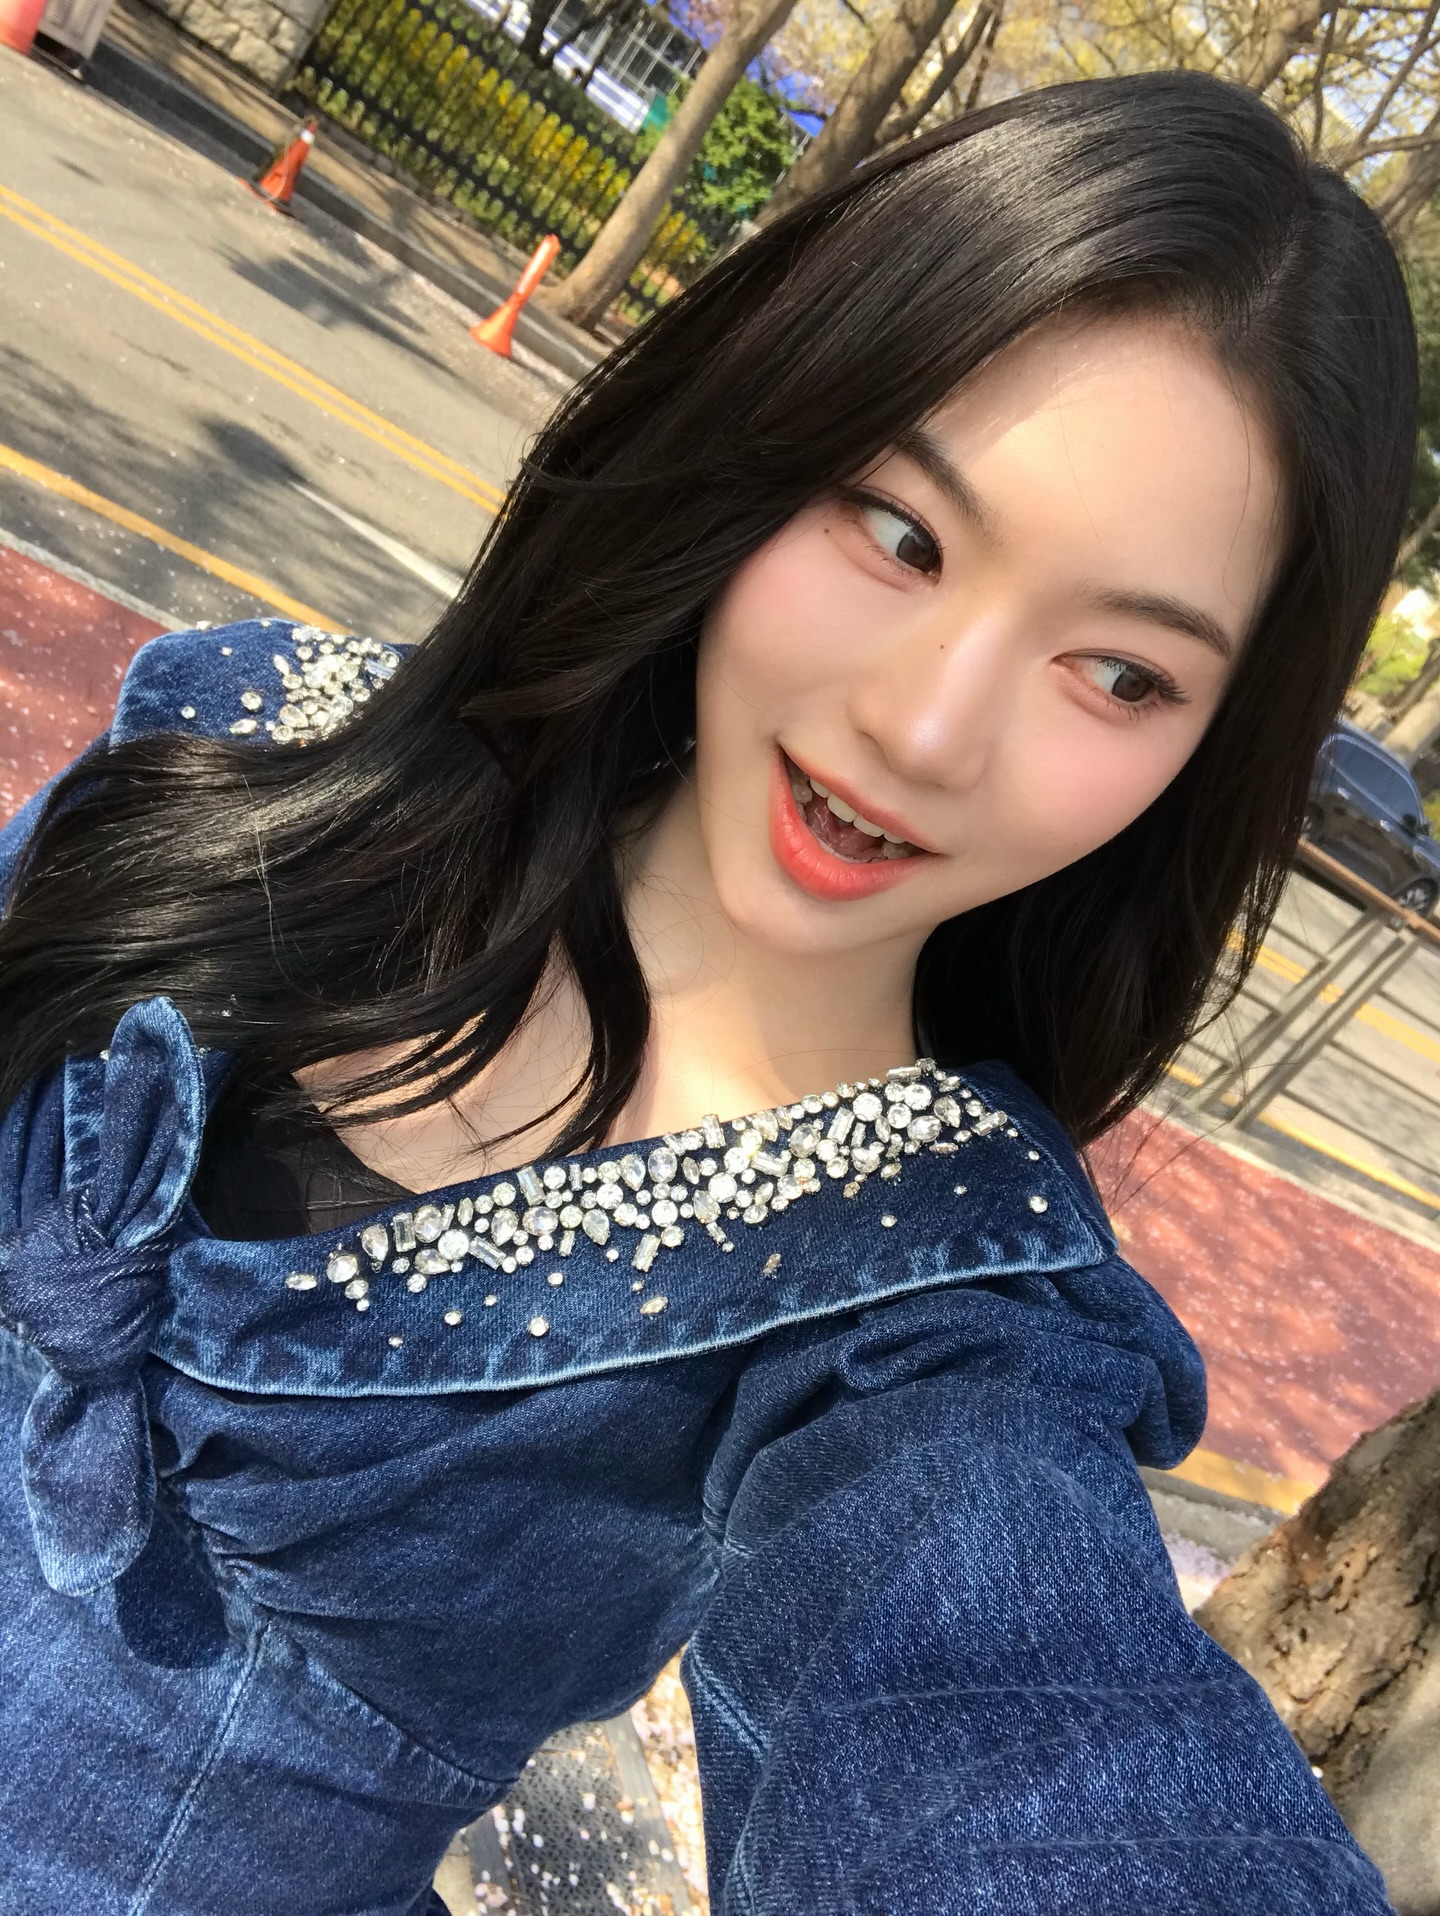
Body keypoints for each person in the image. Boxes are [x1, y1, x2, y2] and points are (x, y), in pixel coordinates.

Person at [0, 67, 1416, 1916]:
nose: (925, 728)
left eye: (1122, 674)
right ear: (766, 432)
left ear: (1208, 752)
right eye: (899, 533)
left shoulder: (921, 1334)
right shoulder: (246, 737)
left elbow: (1028, 1753)